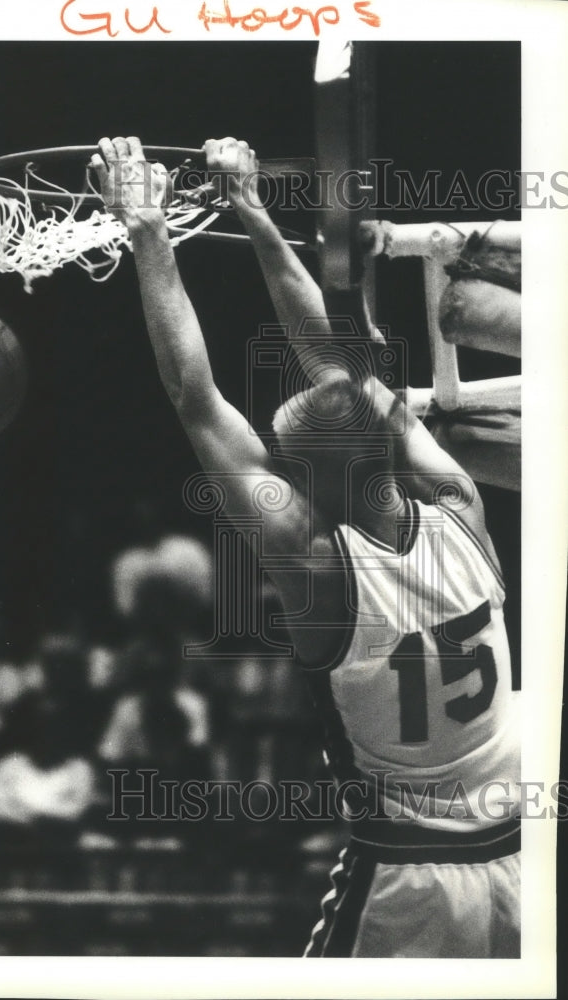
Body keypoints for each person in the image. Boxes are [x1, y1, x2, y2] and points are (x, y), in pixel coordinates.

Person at [90, 136, 520, 958]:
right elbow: (343, 368)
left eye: (286, 466)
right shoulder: (457, 502)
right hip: (520, 853)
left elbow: (195, 399)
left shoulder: (318, 566)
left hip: (412, 877)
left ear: (312, 492)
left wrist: (146, 233)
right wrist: (251, 211)